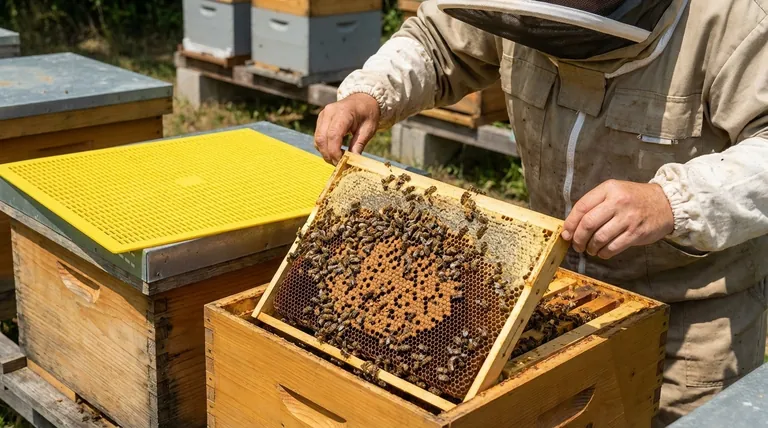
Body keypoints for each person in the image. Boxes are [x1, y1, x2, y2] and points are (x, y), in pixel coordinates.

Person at [313, 0, 768, 425]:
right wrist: (372, 93)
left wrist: (673, 200)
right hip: (549, 294)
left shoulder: (735, 20)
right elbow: (437, 40)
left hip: (689, 321)